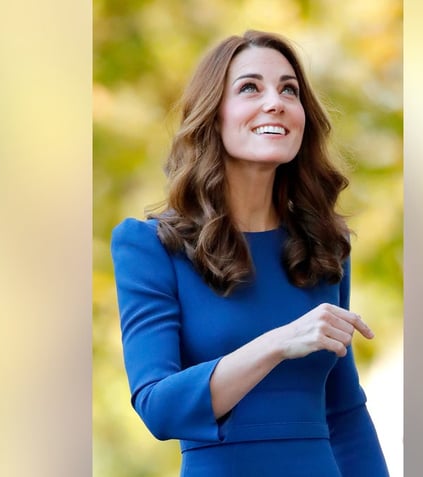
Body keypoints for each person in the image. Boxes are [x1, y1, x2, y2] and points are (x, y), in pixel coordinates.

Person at [111, 30, 390, 477]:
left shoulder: (324, 247)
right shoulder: (149, 247)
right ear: (213, 116)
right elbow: (158, 408)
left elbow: (344, 413)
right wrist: (279, 343)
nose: (275, 102)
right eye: (249, 87)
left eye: (289, 90)